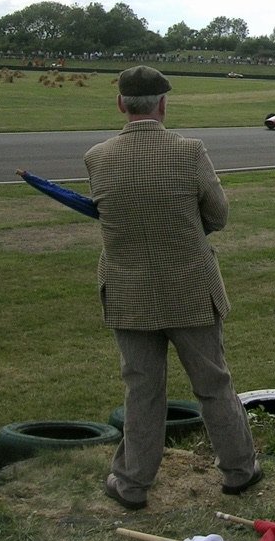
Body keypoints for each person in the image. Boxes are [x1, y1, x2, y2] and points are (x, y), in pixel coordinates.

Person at [85, 65, 261, 511]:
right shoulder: (189, 151)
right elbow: (218, 215)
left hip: (128, 293)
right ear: (163, 104)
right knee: (214, 384)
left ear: (122, 103)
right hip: (189, 288)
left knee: (141, 390)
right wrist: (187, 227)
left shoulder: (98, 157)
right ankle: (239, 471)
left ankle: (131, 483)